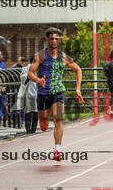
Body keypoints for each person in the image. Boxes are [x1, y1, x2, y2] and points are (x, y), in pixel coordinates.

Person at [28, 28, 84, 161]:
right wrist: (38, 80)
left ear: (59, 40)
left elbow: (78, 69)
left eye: (56, 39)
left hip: (58, 92)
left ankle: (57, 150)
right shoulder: (40, 56)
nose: (54, 41)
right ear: (47, 40)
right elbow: (30, 73)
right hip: (43, 94)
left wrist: (77, 88)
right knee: (43, 126)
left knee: (58, 118)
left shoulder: (64, 57)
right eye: (51, 38)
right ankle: (43, 120)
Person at [20, 56, 38, 133]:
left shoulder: (36, 69)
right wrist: (29, 75)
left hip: (34, 93)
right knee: (29, 112)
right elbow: (23, 80)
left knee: (34, 111)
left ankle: (32, 129)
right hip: (28, 93)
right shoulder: (25, 69)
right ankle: (29, 130)